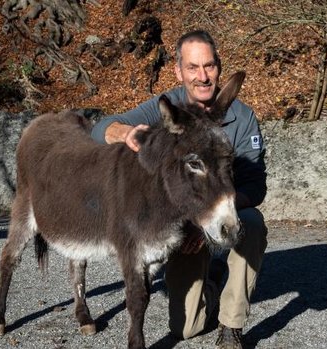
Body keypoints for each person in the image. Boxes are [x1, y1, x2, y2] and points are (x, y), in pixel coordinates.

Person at [91, 30, 268, 349]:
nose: (203, 76)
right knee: (185, 329)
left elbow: (256, 187)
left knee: (251, 225)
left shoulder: (241, 117)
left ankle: (232, 325)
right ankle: (213, 280)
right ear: (178, 71)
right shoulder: (167, 107)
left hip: (225, 211)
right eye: (193, 67)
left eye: (210, 66)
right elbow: (100, 128)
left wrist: (207, 220)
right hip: (183, 226)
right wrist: (124, 131)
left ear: (219, 67)